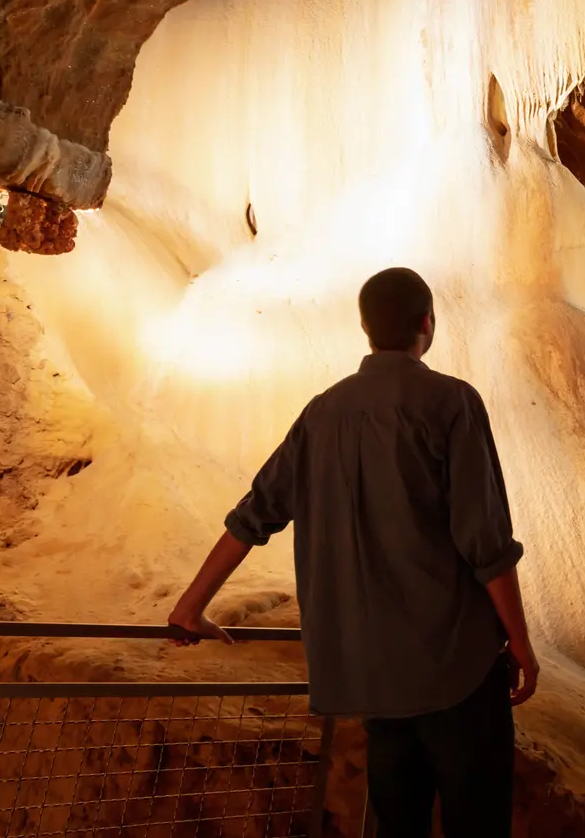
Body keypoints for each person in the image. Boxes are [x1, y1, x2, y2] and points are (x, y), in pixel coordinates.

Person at [167, 267, 537, 838]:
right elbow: (483, 539)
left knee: (397, 825)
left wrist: (191, 605)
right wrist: (520, 640)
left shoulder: (322, 413)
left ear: (365, 329)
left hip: (373, 679)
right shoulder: (451, 403)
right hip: (455, 669)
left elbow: (255, 514)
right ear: (427, 324)